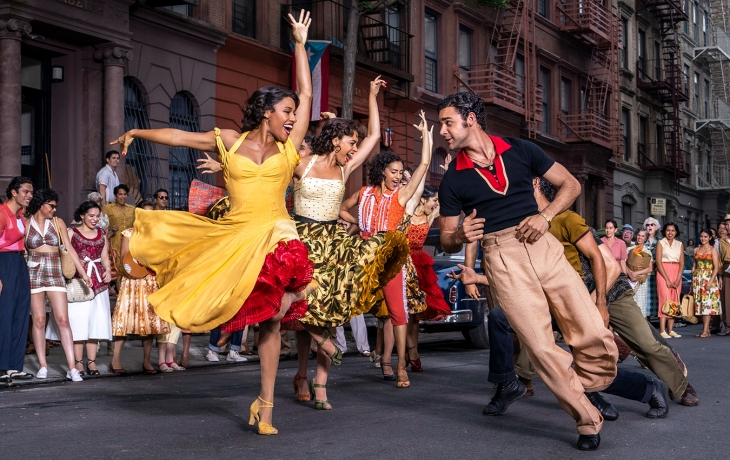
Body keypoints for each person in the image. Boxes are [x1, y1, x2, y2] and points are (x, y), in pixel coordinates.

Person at [111, 10, 316, 435]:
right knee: (252, 314)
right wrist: (137, 132)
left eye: (295, 112)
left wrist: (299, 45)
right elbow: (178, 136)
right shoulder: (229, 140)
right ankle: (249, 374)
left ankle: (268, 404)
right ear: (267, 114)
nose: (294, 117)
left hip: (277, 230)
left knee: (277, 314)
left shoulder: (291, 146)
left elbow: (308, 94)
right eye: (286, 111)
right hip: (238, 235)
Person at [436, 91, 616, 450]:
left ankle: (588, 384)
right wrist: (459, 234)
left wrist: (545, 216)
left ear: (470, 120)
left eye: (447, 122)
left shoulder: (520, 150)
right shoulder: (453, 180)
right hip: (502, 257)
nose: (442, 130)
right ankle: (586, 419)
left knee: (592, 331)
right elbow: (447, 239)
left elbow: (571, 184)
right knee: (539, 345)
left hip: (542, 245)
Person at [288, 77, 410, 407]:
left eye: (356, 143)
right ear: (336, 140)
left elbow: (374, 136)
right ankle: (301, 373)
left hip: (334, 247)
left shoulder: (346, 169)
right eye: (351, 142)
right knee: (302, 311)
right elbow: (266, 169)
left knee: (330, 314)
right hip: (303, 243)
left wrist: (371, 95)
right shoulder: (300, 164)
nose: (355, 148)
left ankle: (321, 384)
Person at [339, 111, 434, 389]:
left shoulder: (402, 196)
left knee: (397, 314)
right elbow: (341, 209)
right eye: (394, 172)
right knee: (339, 299)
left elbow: (425, 163)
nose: (399, 176)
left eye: (401, 172)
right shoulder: (365, 193)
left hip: (391, 261)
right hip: (365, 258)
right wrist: (360, 225)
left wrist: (426, 136)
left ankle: (400, 365)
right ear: (382, 171)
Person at [26, 189, 90, 382]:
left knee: (63, 319)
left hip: (55, 270)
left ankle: (72, 367)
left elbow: (70, 249)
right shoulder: (26, 222)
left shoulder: (58, 222)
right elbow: (21, 248)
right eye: (51, 206)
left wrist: (83, 273)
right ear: (41, 205)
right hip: (33, 271)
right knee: (38, 321)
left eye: (55, 206)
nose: (54, 209)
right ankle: (42, 365)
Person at [109, 200, 170, 375]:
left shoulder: (158, 235)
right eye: (145, 212)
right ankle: (115, 361)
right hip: (132, 280)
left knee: (149, 323)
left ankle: (146, 362)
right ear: (139, 214)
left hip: (151, 281)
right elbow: (124, 258)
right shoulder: (128, 233)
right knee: (124, 320)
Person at [404, 185, 451, 372]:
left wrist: (449, 177)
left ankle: (413, 352)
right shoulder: (406, 214)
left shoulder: (429, 216)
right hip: (405, 264)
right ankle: (408, 352)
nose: (436, 204)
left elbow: (447, 203)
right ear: (423, 200)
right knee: (405, 313)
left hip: (420, 267)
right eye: (434, 200)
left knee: (415, 315)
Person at [65, 201, 113, 376]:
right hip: (79, 285)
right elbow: (64, 255)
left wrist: (107, 270)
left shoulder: (101, 234)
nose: (94, 219)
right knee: (78, 324)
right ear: (82, 215)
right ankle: (78, 363)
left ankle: (92, 363)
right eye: (91, 215)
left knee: (95, 324)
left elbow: (104, 256)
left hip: (99, 283)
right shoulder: (72, 233)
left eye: (97, 216)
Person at [0, 177, 34, 385]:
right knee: (4, 314)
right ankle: (1, 366)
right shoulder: (2, 213)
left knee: (21, 313)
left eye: (30, 192)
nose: (29, 195)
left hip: (19, 262)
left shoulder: (20, 214)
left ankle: (14, 366)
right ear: (14, 192)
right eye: (25, 191)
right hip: (3, 263)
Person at [656, 222, 684, 339]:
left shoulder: (680, 244)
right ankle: (662, 330)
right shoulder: (660, 243)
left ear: (676, 232)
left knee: (674, 300)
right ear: (664, 231)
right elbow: (658, 262)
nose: (670, 233)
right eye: (668, 230)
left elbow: (682, 263)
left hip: (676, 270)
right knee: (664, 298)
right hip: (664, 271)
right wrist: (666, 279)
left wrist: (678, 278)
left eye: (673, 230)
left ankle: (671, 329)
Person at [692, 229, 721, 337]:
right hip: (698, 278)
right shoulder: (696, 249)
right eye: (701, 236)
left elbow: (716, 267)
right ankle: (706, 330)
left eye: (705, 237)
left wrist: (711, 281)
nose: (703, 239)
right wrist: (692, 282)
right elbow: (694, 266)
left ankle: (705, 330)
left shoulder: (713, 250)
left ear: (710, 238)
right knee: (700, 304)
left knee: (707, 304)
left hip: (709, 278)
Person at [103, 184, 135, 277]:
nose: (123, 197)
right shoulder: (108, 208)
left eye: (125, 194)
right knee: (115, 266)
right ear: (115, 196)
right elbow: (102, 225)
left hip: (129, 243)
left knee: (128, 265)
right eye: (120, 194)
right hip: (114, 242)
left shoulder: (132, 209)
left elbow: (136, 225)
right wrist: (111, 229)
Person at [628, 229, 654, 318]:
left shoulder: (647, 251)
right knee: (630, 303)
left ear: (646, 238)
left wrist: (636, 273)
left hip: (641, 282)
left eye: (643, 236)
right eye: (639, 235)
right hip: (629, 280)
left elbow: (650, 268)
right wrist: (630, 273)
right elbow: (624, 263)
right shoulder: (629, 249)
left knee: (641, 304)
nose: (640, 237)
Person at [643, 217, 662, 318]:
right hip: (644, 273)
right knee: (645, 298)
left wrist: (655, 261)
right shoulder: (642, 239)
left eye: (652, 225)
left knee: (656, 297)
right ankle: (646, 320)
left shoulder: (660, 241)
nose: (649, 227)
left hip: (656, 272)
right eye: (647, 225)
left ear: (656, 227)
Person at [718, 215, 730, 336]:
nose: (728, 226)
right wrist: (720, 277)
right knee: (726, 298)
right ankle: (728, 326)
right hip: (727, 268)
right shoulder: (722, 241)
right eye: (727, 224)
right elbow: (720, 260)